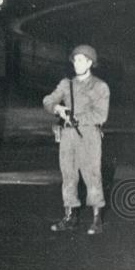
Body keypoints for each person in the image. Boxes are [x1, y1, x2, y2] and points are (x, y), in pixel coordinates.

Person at [43, 44, 111, 235]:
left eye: (81, 60)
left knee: (92, 175)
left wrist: (76, 117)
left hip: (89, 134)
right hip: (68, 136)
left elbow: (100, 116)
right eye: (75, 60)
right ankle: (70, 216)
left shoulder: (100, 86)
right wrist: (57, 109)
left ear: (90, 63)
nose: (77, 63)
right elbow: (48, 100)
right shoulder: (67, 84)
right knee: (68, 175)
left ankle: (97, 219)